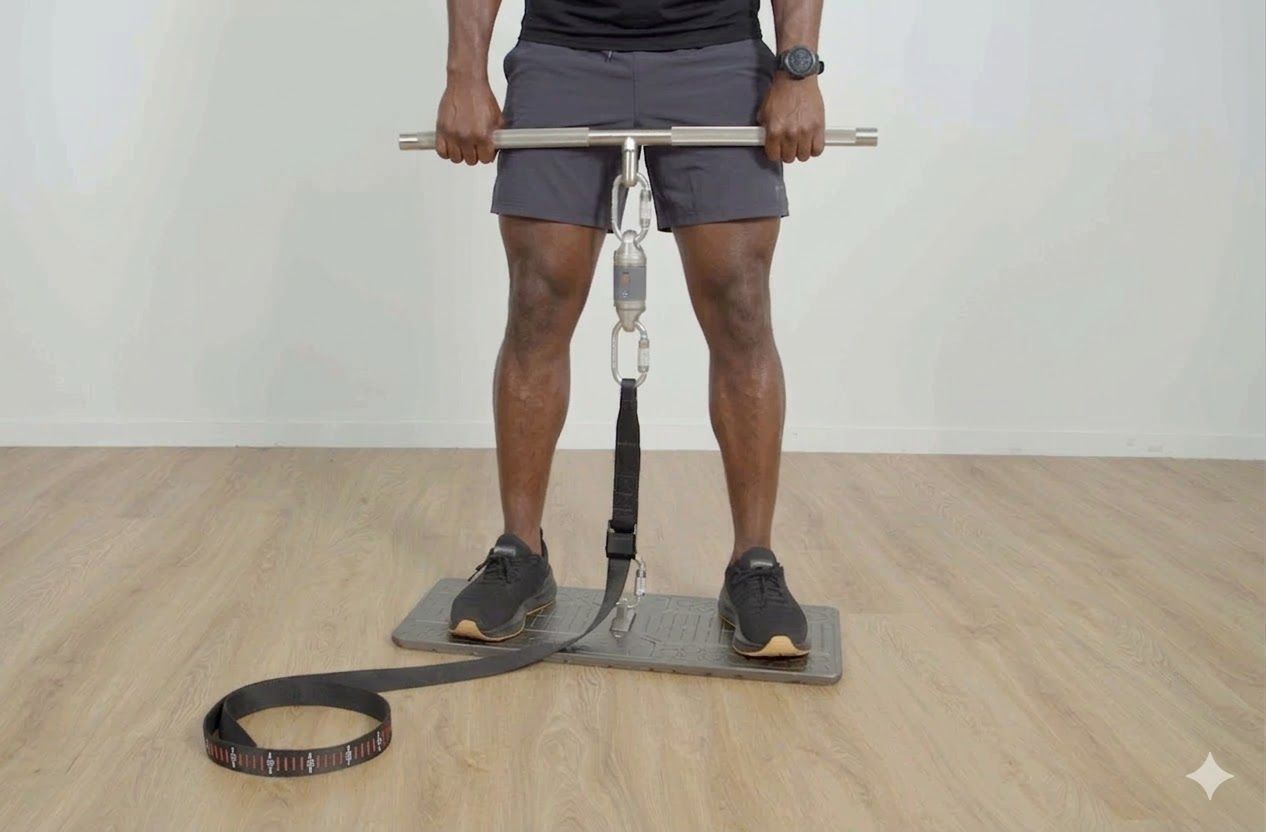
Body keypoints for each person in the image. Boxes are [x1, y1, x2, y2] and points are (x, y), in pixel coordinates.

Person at [439, 0, 826, 658]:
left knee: (739, 302)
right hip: (564, 52)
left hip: (716, 54)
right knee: (538, 296)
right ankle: (520, 552)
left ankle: (754, 563)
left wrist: (798, 70)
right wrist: (464, 74)